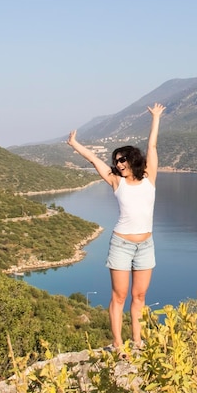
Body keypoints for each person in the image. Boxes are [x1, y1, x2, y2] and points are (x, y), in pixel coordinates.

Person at [67, 102, 165, 351]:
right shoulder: (115, 182)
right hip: (121, 244)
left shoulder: (149, 178)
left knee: (139, 297)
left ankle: (137, 341)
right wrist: (74, 144)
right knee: (119, 296)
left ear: (132, 159)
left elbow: (152, 146)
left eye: (122, 159)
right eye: (116, 161)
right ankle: (118, 344)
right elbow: (93, 160)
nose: (118, 164)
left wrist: (155, 118)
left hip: (146, 246)